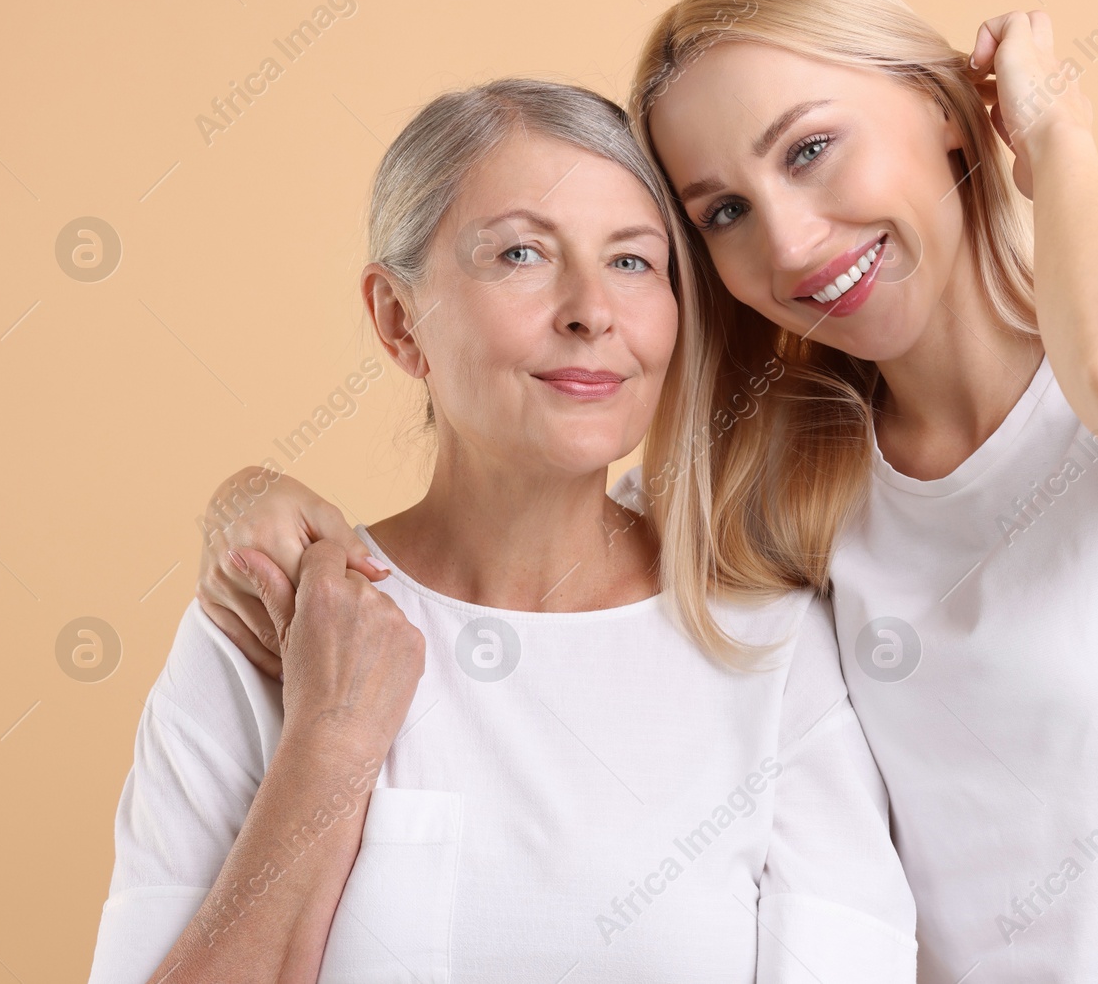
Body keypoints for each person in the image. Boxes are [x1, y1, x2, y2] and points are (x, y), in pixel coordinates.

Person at [193, 0, 1098, 983]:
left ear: (941, 109)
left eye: (812, 148)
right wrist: (256, 503)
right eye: (719, 212)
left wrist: (1055, 129)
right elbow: (537, 542)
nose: (790, 239)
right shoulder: (788, 496)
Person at [87, 77, 917, 984]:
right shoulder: (272, 626)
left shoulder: (769, 646)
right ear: (399, 320)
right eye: (522, 253)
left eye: (634, 262)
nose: (591, 310)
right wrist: (329, 743)